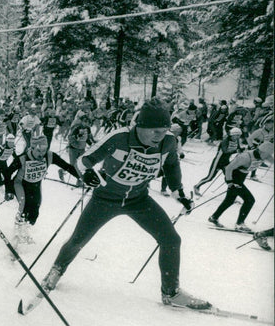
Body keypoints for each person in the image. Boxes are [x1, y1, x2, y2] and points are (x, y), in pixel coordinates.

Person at [37, 99, 210, 310]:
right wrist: (88, 174)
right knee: (78, 239)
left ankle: (171, 292)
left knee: (171, 239)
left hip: (138, 199)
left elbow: (172, 165)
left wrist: (179, 192)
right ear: (141, 127)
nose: (160, 136)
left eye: (164, 130)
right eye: (155, 131)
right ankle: (55, 271)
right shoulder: (119, 138)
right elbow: (83, 160)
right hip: (105, 199)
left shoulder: (168, 142)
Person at [5, 132, 80, 244]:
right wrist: (8, 190)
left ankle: (25, 232)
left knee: (34, 212)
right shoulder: (22, 158)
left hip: (35, 185)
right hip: (20, 184)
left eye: (44, 150)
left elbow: (67, 167)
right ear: (32, 148)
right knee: (23, 207)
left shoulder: (50, 156)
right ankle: (17, 234)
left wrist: (81, 177)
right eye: (39, 150)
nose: (42, 154)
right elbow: (7, 173)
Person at [207, 142, 274, 232]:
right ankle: (239, 224)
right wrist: (230, 182)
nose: (268, 157)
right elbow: (228, 168)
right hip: (234, 177)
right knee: (249, 200)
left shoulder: (264, 155)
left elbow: (272, 161)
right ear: (262, 151)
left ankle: (214, 217)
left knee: (229, 200)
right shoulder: (245, 157)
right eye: (267, 154)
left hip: (241, 178)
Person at [193, 127, 244, 196]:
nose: (238, 137)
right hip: (218, 162)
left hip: (226, 162)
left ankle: (232, 195)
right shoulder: (225, 141)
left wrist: (241, 150)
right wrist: (235, 151)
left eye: (239, 135)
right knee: (210, 178)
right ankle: (197, 186)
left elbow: (238, 148)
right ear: (232, 135)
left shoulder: (236, 141)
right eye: (237, 135)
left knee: (229, 177)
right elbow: (225, 151)